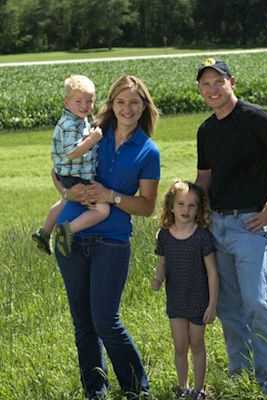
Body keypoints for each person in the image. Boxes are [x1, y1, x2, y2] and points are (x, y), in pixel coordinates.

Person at [194, 57, 267, 398]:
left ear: (233, 82)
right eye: (205, 84)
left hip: (250, 225)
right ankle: (242, 379)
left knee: (257, 303)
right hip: (216, 225)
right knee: (228, 307)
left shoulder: (256, 118)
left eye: (218, 81)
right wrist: (183, 215)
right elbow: (204, 180)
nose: (213, 89)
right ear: (200, 90)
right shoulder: (206, 130)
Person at [54, 75, 161, 400]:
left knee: (105, 320)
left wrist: (110, 195)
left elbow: (146, 206)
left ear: (144, 107)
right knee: (83, 323)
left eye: (134, 102)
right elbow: (58, 168)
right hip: (70, 235)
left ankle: (135, 389)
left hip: (112, 241)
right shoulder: (92, 132)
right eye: (120, 102)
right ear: (111, 105)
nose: (127, 108)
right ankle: (95, 391)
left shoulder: (148, 151)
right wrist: (67, 191)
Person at [152, 180, 219, 400]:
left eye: (192, 205)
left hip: (199, 299)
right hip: (176, 299)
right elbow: (162, 263)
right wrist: (158, 279)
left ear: (198, 209)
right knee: (180, 345)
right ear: (171, 206)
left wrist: (212, 305)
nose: (185, 210)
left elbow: (212, 273)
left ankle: (199, 390)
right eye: (181, 204)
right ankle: (183, 388)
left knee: (197, 344)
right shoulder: (164, 235)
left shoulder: (202, 236)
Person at [32, 75, 109, 256]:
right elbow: (72, 152)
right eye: (78, 101)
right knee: (102, 209)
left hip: (68, 173)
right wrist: (93, 139)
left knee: (65, 200)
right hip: (74, 176)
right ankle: (68, 230)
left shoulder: (78, 120)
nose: (85, 106)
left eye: (89, 101)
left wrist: (89, 131)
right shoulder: (69, 124)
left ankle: (44, 232)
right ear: (66, 102)